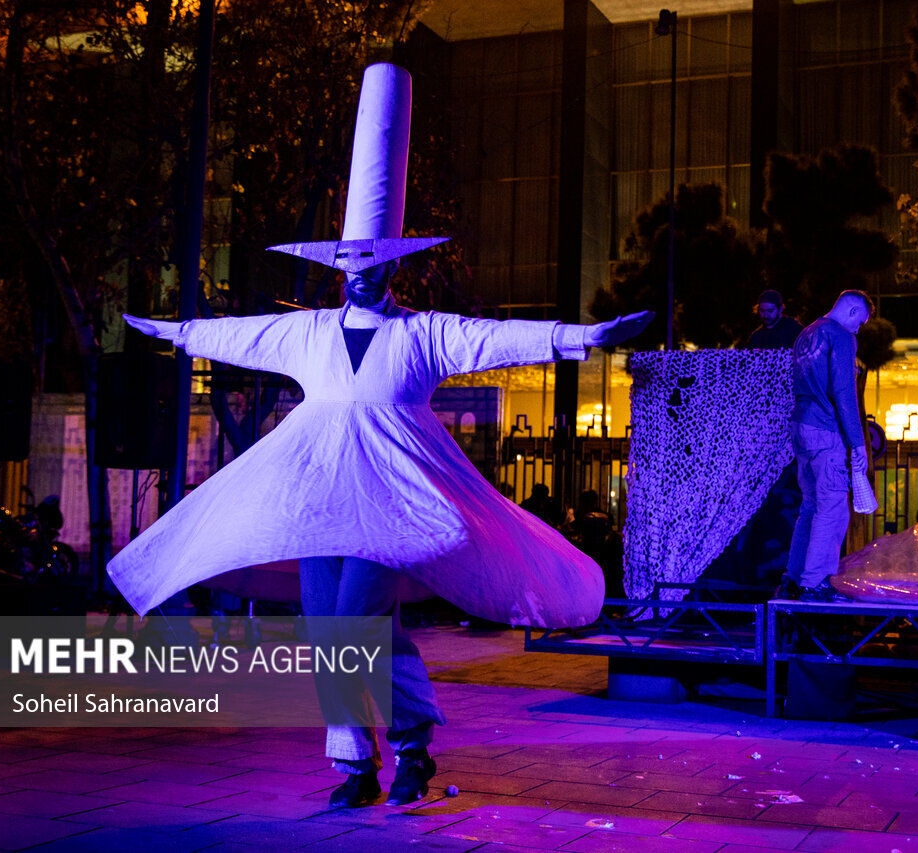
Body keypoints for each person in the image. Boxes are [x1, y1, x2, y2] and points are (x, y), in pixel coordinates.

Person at [110, 64, 654, 809]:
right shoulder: (307, 335)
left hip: (391, 499)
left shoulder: (423, 333)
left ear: (392, 264)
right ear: (338, 267)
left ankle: (389, 752)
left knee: (352, 621)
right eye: (351, 262)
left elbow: (494, 339)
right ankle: (377, 757)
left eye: (375, 261)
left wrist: (582, 336)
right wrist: (170, 330)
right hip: (316, 494)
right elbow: (238, 334)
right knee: (336, 626)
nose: (362, 274)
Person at [777, 289, 876, 602]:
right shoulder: (841, 336)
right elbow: (844, 393)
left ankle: (794, 578)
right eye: (859, 322)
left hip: (801, 426)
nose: (858, 329)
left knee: (811, 507)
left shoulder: (806, 334)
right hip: (825, 429)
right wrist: (858, 445)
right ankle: (815, 581)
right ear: (850, 311)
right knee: (832, 508)